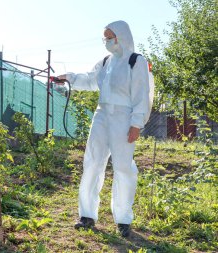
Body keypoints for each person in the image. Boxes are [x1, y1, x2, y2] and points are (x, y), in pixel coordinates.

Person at [56, 20, 151, 237]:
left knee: (123, 167)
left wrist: (136, 123)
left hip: (124, 117)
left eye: (110, 37)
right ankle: (87, 215)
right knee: (92, 162)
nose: (106, 41)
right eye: (105, 37)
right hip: (101, 115)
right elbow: (90, 81)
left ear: (121, 36)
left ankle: (123, 219)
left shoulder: (136, 61)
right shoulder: (106, 61)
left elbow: (141, 94)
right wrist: (68, 78)